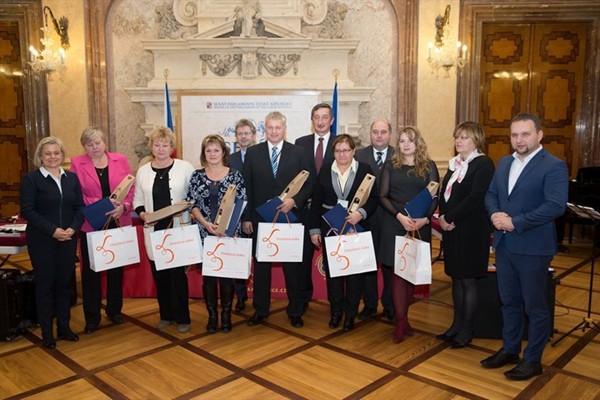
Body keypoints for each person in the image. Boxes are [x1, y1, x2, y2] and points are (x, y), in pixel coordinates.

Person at [482, 113, 568, 380]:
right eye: (514, 134)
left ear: (539, 135)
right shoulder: (504, 162)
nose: (519, 140)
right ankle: (510, 349)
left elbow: (555, 206)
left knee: (535, 307)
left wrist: (514, 222)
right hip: (504, 246)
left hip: (533, 247)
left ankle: (533, 360)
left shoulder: (554, 165)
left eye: (525, 134)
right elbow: (491, 194)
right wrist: (495, 214)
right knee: (509, 302)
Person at [242, 111, 312, 328]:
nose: (273, 131)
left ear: (284, 129)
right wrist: (246, 218)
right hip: (261, 220)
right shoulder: (253, 153)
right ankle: (260, 310)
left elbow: (309, 184)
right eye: (270, 127)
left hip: (289, 219)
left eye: (277, 127)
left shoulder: (298, 152)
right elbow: (247, 187)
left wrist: (295, 201)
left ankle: (295, 311)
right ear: (265, 129)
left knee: (292, 269)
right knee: (262, 268)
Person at [20, 136, 84, 349]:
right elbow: (28, 211)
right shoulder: (31, 180)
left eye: (56, 153)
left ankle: (64, 327)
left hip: (67, 238)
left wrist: (72, 228)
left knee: (64, 285)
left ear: (62, 155)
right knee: (45, 286)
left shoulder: (71, 178)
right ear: (40, 156)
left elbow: (79, 207)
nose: (52, 157)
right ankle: (47, 332)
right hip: (42, 241)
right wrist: (53, 231)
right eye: (47, 153)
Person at [309, 134, 378, 331]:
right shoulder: (325, 170)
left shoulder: (364, 170)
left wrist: (360, 214)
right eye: (338, 150)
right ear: (333, 153)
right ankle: (336, 312)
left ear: (353, 151)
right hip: (330, 228)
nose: (342, 154)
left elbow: (374, 198)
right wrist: (314, 229)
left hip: (355, 228)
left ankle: (350, 314)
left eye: (346, 150)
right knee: (334, 274)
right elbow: (316, 202)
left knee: (355, 274)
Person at [70, 127, 135, 334]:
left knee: (116, 269)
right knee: (91, 272)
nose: (95, 147)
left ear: (104, 142)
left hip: (118, 220)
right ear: (84, 147)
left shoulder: (120, 160)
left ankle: (115, 311)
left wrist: (124, 206)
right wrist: (102, 204)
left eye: (97, 143)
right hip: (92, 222)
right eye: (89, 145)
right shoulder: (76, 163)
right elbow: (75, 194)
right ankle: (92, 317)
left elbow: (131, 188)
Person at [436, 122, 495, 348]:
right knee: (456, 278)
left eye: (464, 137)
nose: (458, 141)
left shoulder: (483, 164)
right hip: (453, 229)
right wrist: (443, 216)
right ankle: (456, 325)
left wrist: (449, 217)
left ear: (476, 141)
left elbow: (476, 197)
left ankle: (467, 329)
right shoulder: (455, 164)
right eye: (457, 137)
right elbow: (445, 194)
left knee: (468, 280)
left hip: (472, 230)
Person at [379, 126, 439, 343]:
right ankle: (401, 321)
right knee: (398, 272)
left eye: (410, 140)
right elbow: (383, 196)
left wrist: (425, 219)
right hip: (395, 222)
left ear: (417, 143)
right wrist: (399, 217)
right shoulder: (390, 165)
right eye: (402, 140)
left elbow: (435, 196)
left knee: (410, 273)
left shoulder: (429, 166)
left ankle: (404, 318)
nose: (405, 144)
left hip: (419, 223)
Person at [133, 126, 195, 333]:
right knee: (160, 276)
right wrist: (143, 214)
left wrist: (185, 206)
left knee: (178, 276)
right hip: (154, 230)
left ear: (172, 147)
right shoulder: (143, 171)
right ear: (151, 147)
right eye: (157, 145)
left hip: (177, 229)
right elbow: (137, 200)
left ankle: (183, 317)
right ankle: (166, 315)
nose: (161, 149)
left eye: (165, 145)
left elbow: (194, 195)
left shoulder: (185, 168)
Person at [187, 135, 247, 333]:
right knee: (209, 278)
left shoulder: (235, 175)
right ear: (204, 154)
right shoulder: (196, 176)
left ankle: (226, 315)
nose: (212, 154)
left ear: (223, 152)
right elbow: (192, 204)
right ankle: (212, 315)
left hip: (229, 233)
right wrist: (206, 224)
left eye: (216, 150)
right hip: (205, 233)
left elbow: (241, 203)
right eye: (208, 150)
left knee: (227, 277)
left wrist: (227, 228)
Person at [295, 103, 335, 311]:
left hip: (331, 212)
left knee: (334, 259)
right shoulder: (300, 143)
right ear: (312, 121)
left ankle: (336, 304)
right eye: (316, 117)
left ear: (332, 120)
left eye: (324, 117)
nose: (320, 121)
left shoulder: (340, 143)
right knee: (303, 260)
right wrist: (305, 198)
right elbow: (298, 178)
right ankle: (302, 301)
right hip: (305, 210)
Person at [355, 119, 395, 322]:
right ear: (370, 134)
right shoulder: (359, 155)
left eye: (383, 132)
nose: (379, 136)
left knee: (389, 264)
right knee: (367, 263)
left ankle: (389, 305)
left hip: (391, 218)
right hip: (366, 218)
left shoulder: (399, 155)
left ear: (390, 134)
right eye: (375, 132)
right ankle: (369, 304)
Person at [228, 118, 257, 312]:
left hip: (256, 215)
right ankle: (240, 295)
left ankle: (259, 297)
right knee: (237, 256)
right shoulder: (230, 159)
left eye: (247, 133)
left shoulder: (262, 155)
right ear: (236, 137)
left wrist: (249, 216)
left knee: (257, 258)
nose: (244, 136)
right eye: (240, 133)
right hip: (235, 217)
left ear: (254, 135)